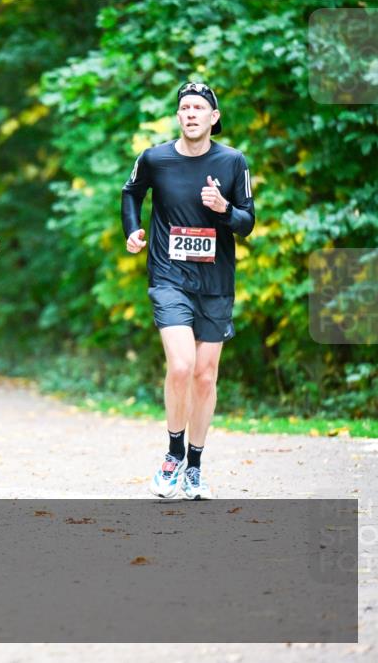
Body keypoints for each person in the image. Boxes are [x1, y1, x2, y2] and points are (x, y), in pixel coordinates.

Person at [121, 81, 255, 500]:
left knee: (204, 375)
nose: (191, 113)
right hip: (169, 276)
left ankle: (195, 466)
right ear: (178, 116)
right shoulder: (155, 159)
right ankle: (173, 454)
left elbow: (248, 222)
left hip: (216, 283)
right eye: (185, 107)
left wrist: (225, 209)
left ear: (214, 118)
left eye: (199, 107)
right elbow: (131, 193)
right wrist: (133, 229)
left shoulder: (233, 162)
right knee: (180, 366)